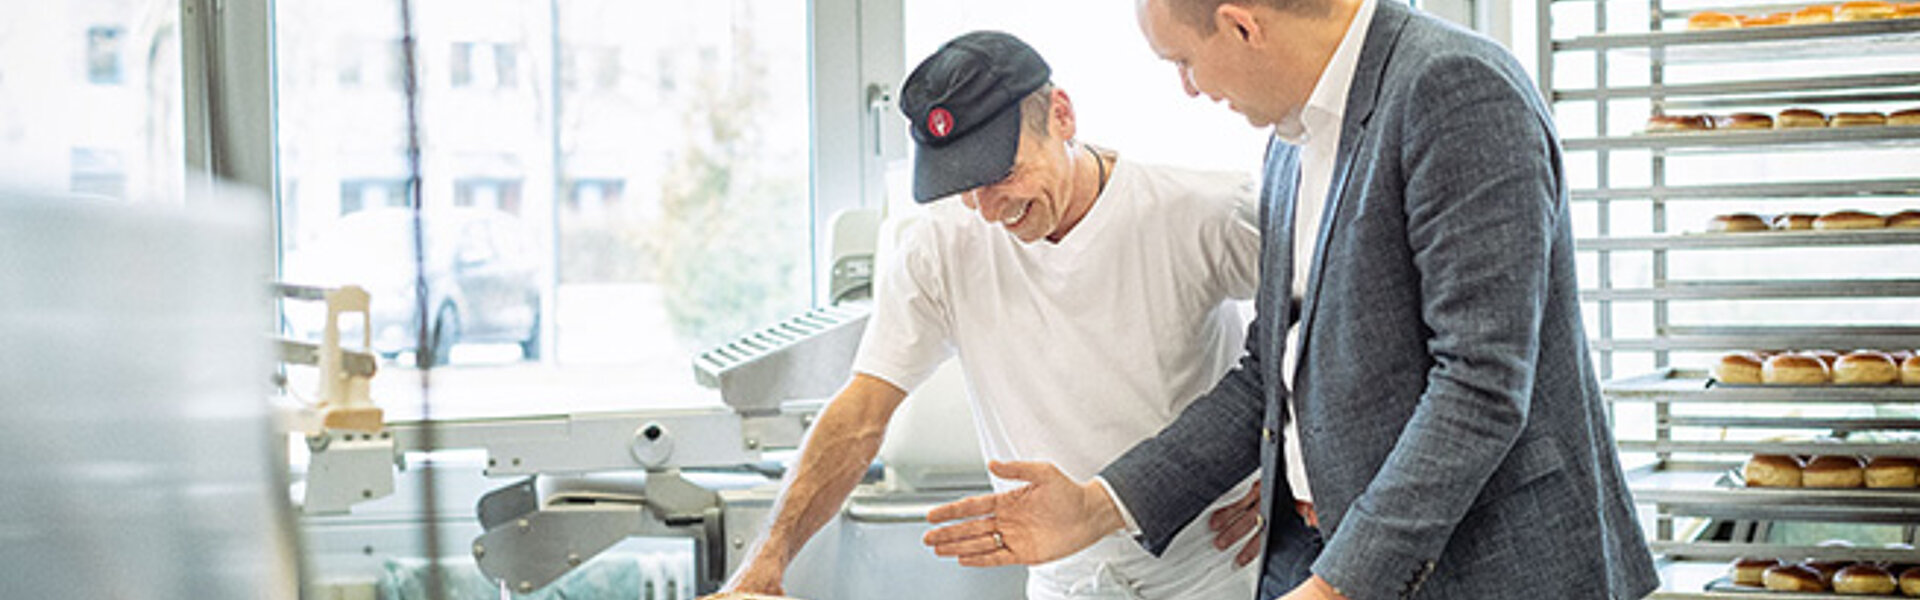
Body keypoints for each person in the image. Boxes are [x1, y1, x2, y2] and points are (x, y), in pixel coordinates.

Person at [920, 1, 1662, 599]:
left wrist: (1339, 584)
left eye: (1182, 60)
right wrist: (1098, 504)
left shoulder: (1454, 88)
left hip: (1486, 568)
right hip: (1326, 555)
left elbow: (1479, 388)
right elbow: (1264, 378)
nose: (1190, 88)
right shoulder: (1289, 143)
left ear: (1243, 23)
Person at [704, 30, 1312, 600]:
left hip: (1210, 568)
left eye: (1002, 174)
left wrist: (1291, 471)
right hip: (1063, 578)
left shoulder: (1199, 212)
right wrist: (767, 561)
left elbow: (1326, 334)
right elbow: (861, 414)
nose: (989, 209)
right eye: (963, 186)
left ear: (1062, 116)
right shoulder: (939, 246)